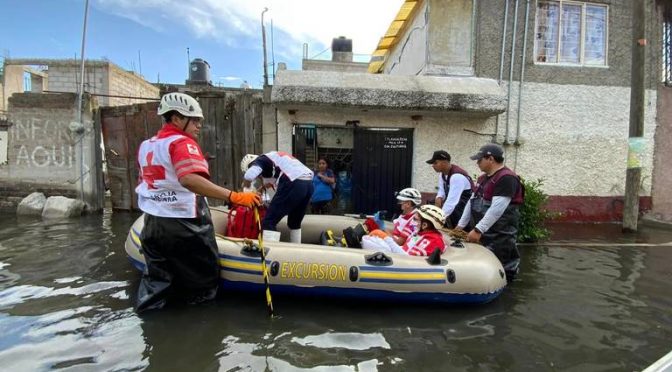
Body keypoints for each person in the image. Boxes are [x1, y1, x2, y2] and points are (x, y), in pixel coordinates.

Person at [134, 92, 261, 313]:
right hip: (184, 224)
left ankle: (152, 330)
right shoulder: (182, 143)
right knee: (202, 285)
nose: (199, 125)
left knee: (156, 284)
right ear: (176, 119)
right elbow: (189, 179)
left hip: (153, 224)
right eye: (194, 120)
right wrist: (234, 197)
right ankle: (199, 336)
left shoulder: (147, 145)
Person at [455, 143, 524, 280]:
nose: (477, 163)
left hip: (500, 235)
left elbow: (497, 209)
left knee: (504, 265)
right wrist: (460, 226)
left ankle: (508, 289)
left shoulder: (506, 178)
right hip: (485, 233)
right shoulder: (483, 179)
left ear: (490, 159)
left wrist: (478, 230)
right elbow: (471, 201)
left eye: (479, 160)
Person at [241, 151, 314, 243]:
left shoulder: (260, 160)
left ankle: (272, 253)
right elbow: (269, 183)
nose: (259, 177)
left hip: (293, 182)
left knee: (268, 222)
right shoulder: (273, 159)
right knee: (294, 223)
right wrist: (259, 190)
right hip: (308, 183)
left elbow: (249, 175)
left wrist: (246, 190)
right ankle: (297, 252)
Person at [365, 204, 446, 256]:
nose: (413, 222)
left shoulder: (432, 240)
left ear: (424, 225)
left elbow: (407, 259)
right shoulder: (421, 233)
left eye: (416, 219)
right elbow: (403, 249)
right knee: (368, 239)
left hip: (403, 264)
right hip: (399, 256)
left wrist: (386, 238)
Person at [426, 150, 474, 229]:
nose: (433, 165)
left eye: (435, 163)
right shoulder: (442, 174)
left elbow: (452, 202)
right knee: (432, 202)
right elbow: (441, 190)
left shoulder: (457, 177)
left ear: (444, 162)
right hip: (455, 205)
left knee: (454, 209)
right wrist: (439, 197)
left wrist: (437, 219)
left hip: (464, 208)